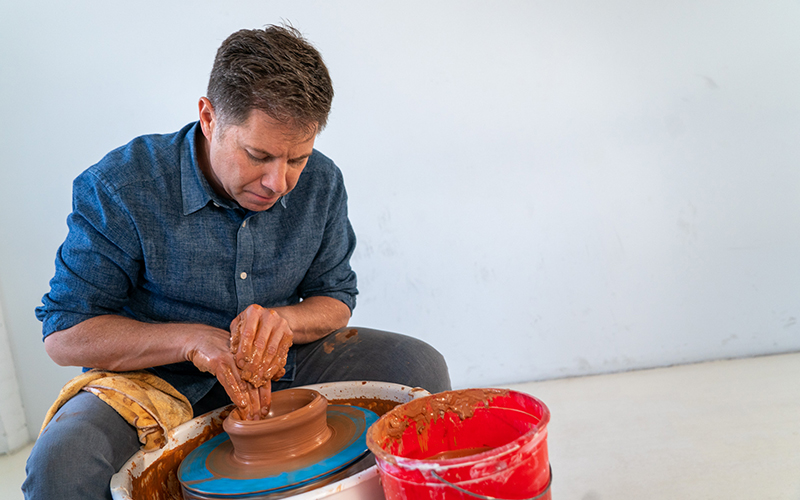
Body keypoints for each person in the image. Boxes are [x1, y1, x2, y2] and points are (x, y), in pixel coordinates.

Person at [25, 25, 450, 500]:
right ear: (208, 117)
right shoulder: (121, 187)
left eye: (296, 160)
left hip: (278, 365)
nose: (278, 182)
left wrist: (283, 321)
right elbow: (65, 335)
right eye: (258, 155)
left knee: (419, 368)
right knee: (61, 464)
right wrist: (189, 340)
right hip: (152, 378)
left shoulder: (323, 182)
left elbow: (336, 298)